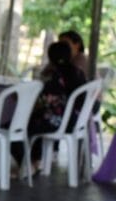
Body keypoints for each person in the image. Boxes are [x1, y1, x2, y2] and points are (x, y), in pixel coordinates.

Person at [16, 40, 88, 169]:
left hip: (57, 122)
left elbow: (44, 101)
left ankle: (29, 165)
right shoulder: (79, 73)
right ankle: (34, 161)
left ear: (50, 57)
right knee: (34, 122)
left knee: (17, 127)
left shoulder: (53, 76)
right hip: (76, 122)